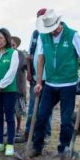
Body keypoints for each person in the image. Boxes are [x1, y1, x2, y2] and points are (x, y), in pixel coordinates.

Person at [31, 9, 80, 160]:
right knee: (41, 116)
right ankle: (37, 147)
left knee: (66, 120)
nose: (52, 32)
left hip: (68, 84)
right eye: (49, 30)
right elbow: (40, 59)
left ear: (59, 24)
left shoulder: (72, 35)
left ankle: (63, 150)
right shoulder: (43, 37)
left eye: (54, 29)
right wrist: (39, 82)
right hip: (50, 84)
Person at [0, 28, 20, 157]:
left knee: (9, 117)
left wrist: (1, 85)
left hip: (9, 90)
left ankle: (10, 144)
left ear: (6, 38)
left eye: (1, 38)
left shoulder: (13, 53)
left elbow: (12, 72)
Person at [24, 8, 51, 141]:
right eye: (38, 17)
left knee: (46, 108)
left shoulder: (51, 33)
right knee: (32, 107)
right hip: (35, 77)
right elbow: (29, 55)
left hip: (49, 79)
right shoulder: (35, 33)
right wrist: (29, 71)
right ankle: (28, 132)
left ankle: (45, 134)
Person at [10, 36, 28, 140]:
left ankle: (18, 128)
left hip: (19, 86)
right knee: (9, 110)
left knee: (18, 110)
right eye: (10, 45)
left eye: (13, 45)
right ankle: (10, 128)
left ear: (16, 46)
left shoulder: (21, 54)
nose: (12, 47)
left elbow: (26, 66)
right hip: (7, 87)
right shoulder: (6, 54)